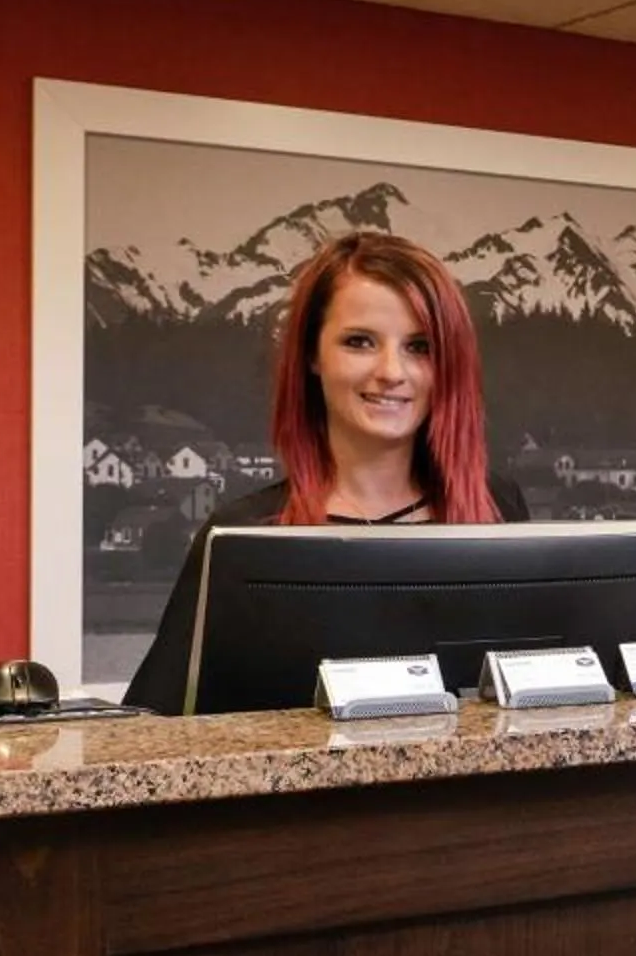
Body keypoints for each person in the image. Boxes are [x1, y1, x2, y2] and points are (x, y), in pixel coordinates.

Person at [123, 231, 529, 713]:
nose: (392, 371)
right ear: (313, 355)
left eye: (420, 347)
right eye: (360, 342)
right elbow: (156, 728)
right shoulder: (245, 536)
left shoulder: (496, 508)